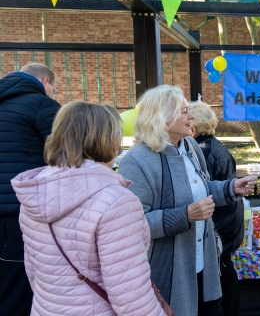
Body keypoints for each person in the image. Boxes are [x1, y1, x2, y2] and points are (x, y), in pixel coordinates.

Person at [11, 102, 166, 315]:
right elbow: (131, 295)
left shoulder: (35, 191)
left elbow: (34, 270)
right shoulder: (117, 201)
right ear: (107, 139)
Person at [118, 85, 257, 316]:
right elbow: (133, 223)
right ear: (163, 119)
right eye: (184, 111)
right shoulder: (136, 161)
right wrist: (185, 215)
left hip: (203, 265)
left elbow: (199, 189)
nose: (191, 115)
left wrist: (229, 187)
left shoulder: (190, 146)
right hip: (168, 273)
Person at [0, 63, 60, 315]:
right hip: (22, 208)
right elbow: (65, 154)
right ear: (45, 81)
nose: (54, 94)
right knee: (23, 277)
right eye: (54, 89)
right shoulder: (41, 104)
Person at [190, 99, 243, 316]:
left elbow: (204, 189)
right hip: (229, 219)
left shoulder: (204, 151)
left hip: (221, 223)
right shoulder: (214, 145)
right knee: (225, 267)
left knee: (221, 270)